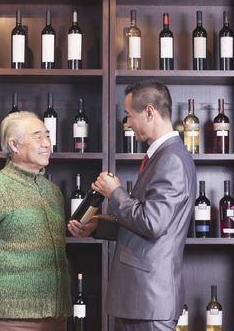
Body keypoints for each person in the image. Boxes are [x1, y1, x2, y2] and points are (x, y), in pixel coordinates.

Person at [69, 81, 196, 330]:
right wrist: (97, 227)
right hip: (141, 299)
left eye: (129, 115)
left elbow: (153, 223)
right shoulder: (162, 156)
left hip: (149, 299)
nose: (127, 124)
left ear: (149, 111)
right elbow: (146, 224)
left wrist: (114, 192)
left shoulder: (171, 159)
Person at [0, 111, 71, 331]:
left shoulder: (53, 192)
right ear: (14, 145)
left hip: (57, 317)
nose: (47, 143)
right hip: (12, 320)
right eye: (38, 137)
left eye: (48, 136)